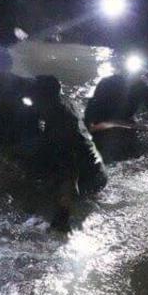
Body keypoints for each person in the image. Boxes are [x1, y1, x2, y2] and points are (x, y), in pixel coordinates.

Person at [33, 75, 108, 230]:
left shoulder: (62, 123)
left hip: (89, 177)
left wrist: (62, 216)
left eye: (34, 97)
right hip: (95, 168)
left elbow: (70, 172)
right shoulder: (61, 103)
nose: (31, 101)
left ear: (44, 99)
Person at [84, 70, 148, 161]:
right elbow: (92, 104)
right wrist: (89, 125)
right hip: (102, 119)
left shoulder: (145, 88)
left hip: (125, 120)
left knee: (133, 154)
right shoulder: (108, 82)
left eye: (139, 75)